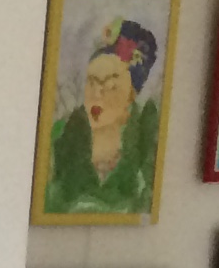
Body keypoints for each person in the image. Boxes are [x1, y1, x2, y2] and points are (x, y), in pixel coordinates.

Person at [41, 15, 162, 218]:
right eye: (92, 82)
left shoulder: (145, 140)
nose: (97, 94)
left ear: (131, 94)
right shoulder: (62, 136)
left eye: (110, 85)